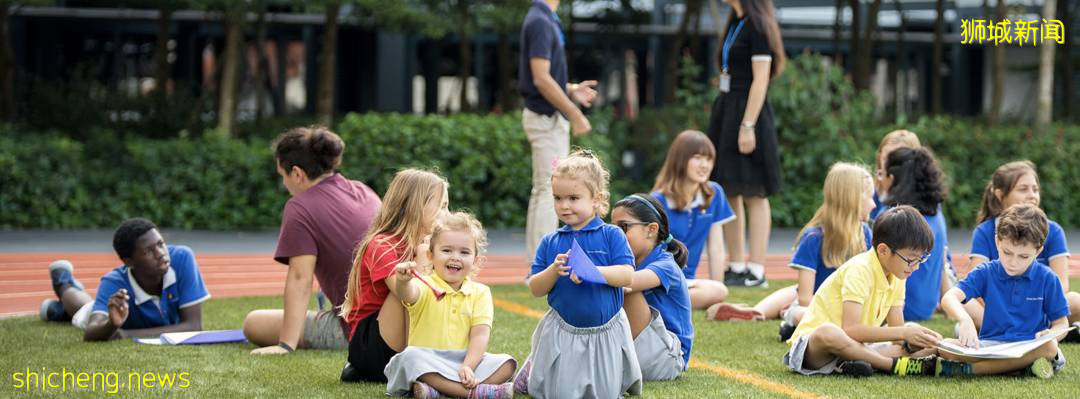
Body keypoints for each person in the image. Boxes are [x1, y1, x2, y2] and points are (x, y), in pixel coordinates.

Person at [782, 206, 969, 377]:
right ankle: (889, 365)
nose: (916, 267)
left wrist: (915, 340)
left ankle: (855, 364)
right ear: (883, 250)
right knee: (829, 332)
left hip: (858, 348)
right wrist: (903, 334)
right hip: (814, 350)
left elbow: (898, 334)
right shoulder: (860, 269)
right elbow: (851, 330)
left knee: (920, 339)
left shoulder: (898, 274)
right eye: (911, 260)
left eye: (921, 259)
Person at [513, 149, 642, 398]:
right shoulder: (551, 241)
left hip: (605, 331)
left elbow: (627, 275)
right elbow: (535, 288)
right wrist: (553, 271)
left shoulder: (611, 235)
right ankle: (533, 369)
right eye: (558, 198)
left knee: (605, 393)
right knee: (557, 392)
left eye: (573, 198)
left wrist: (593, 272)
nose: (564, 206)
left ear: (596, 199)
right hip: (562, 331)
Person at [244, 126, 381, 354]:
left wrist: (285, 345)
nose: (284, 185)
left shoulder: (300, 207)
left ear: (297, 173)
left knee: (254, 322)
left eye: (283, 176)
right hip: (396, 321)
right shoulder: (363, 190)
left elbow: (300, 278)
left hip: (358, 330)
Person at [727, 163, 874, 344]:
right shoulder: (814, 238)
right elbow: (805, 298)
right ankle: (764, 314)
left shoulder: (866, 234)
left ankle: (766, 314)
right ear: (852, 200)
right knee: (798, 310)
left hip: (849, 307)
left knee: (792, 294)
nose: (874, 204)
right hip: (816, 308)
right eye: (870, 197)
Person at [383, 212, 516, 399]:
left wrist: (468, 366)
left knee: (507, 363)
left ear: (476, 260)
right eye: (446, 250)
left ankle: (437, 392)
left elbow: (480, 335)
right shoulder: (423, 285)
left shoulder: (481, 293)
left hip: (463, 362)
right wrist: (403, 282)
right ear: (430, 255)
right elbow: (408, 294)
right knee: (410, 357)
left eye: (464, 252)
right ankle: (473, 393)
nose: (455, 257)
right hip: (428, 361)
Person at [339, 169, 450, 382]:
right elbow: (407, 295)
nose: (448, 214)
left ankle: (439, 359)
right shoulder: (381, 244)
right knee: (406, 283)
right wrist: (421, 263)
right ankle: (418, 368)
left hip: (402, 339)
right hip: (371, 345)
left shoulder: (432, 244)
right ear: (416, 206)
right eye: (442, 206)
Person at [708, 0, 787, 289]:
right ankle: (737, 264)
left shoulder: (759, 27)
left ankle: (756, 269)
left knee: (755, 192)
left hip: (748, 114)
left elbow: (761, 80)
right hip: (727, 111)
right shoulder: (736, 21)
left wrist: (748, 125)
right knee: (729, 189)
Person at [940, 204, 1069, 378]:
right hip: (992, 346)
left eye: (1023, 256)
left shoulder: (1048, 278)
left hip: (1031, 345)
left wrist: (1050, 334)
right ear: (997, 242)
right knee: (945, 345)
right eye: (1007, 252)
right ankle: (1016, 368)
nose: (1013, 262)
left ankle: (974, 370)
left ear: (1038, 251)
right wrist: (964, 319)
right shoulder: (986, 272)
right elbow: (949, 298)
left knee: (1050, 346)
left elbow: (1062, 324)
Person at [519, 0, 599, 265]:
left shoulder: (544, 18)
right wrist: (575, 113)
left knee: (542, 190)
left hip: (547, 118)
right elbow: (540, 78)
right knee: (547, 190)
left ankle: (538, 261)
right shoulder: (540, 21)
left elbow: (544, 77)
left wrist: (571, 88)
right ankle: (543, 262)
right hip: (546, 119)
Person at [41, 218, 210, 342]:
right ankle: (63, 283)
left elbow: (193, 326)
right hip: (109, 314)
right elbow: (91, 333)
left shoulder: (181, 258)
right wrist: (112, 325)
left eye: (161, 244)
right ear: (128, 261)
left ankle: (57, 310)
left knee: (87, 307)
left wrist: (125, 334)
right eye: (148, 251)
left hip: (134, 326)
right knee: (86, 308)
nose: (161, 253)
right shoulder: (114, 283)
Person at [966, 161, 1080, 338]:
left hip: (1039, 308)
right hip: (997, 313)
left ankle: (1048, 331)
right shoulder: (984, 231)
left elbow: (1061, 283)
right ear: (1000, 194)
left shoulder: (1054, 231)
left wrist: (1031, 307)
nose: (1032, 195)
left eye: (1035, 189)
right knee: (965, 302)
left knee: (1074, 300)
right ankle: (1000, 330)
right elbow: (974, 283)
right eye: (1023, 189)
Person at [650, 130, 735, 310]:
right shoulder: (658, 201)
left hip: (688, 282)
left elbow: (716, 248)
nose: (704, 165)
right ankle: (657, 302)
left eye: (709, 159)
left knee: (718, 290)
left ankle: (665, 303)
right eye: (697, 157)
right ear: (680, 160)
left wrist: (718, 300)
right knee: (715, 291)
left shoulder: (714, 194)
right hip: (658, 280)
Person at [612, 194, 693, 381]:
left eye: (623, 227)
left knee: (623, 285)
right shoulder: (627, 261)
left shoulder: (666, 265)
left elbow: (628, 282)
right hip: (644, 348)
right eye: (612, 228)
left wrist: (587, 270)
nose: (615, 235)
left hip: (669, 358)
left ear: (651, 230)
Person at [878, 147, 949, 321]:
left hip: (902, 308)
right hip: (926, 308)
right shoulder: (937, 213)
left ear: (892, 178)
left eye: (882, 175)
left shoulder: (890, 216)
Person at [870, 129, 920, 221]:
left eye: (898, 161)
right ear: (879, 158)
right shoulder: (870, 195)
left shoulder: (925, 205)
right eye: (885, 159)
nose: (889, 167)